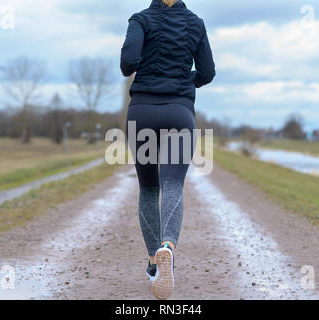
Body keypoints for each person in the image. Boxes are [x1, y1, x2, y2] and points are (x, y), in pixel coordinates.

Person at [120, 0, 215, 300]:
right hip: (179, 112)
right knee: (174, 184)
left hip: (143, 112)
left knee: (149, 189)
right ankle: (168, 248)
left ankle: (153, 261)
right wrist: (185, 81)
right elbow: (208, 72)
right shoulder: (196, 23)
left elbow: (127, 63)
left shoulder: (141, 19)